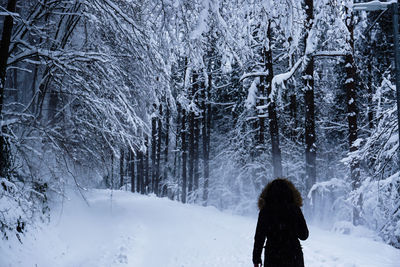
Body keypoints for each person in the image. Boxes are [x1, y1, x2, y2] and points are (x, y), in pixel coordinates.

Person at [252, 178, 309, 267]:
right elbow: (304, 235)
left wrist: (256, 259)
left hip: (273, 257)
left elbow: (259, 237)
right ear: (291, 193)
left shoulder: (265, 211)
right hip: (293, 256)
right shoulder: (295, 209)